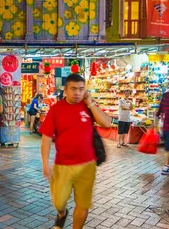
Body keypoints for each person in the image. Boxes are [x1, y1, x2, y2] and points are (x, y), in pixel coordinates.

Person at [40, 73, 113, 229]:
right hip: (62, 165)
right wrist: (45, 163)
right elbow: (46, 138)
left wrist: (91, 104)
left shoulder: (87, 106)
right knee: (58, 202)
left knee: (83, 203)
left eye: (81, 89)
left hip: (88, 164)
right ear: (65, 90)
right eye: (73, 89)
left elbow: (107, 123)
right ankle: (62, 214)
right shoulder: (56, 109)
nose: (77, 93)